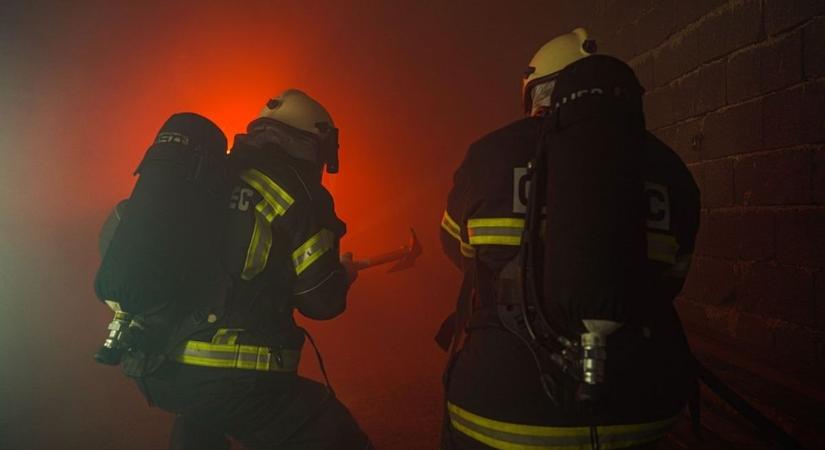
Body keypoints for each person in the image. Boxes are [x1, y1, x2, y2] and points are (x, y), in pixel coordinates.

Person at [437, 28, 700, 450]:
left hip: (501, 411)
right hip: (636, 413)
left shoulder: (489, 156)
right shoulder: (669, 169)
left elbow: (459, 254)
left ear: (533, 93)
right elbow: (672, 280)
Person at [98, 90, 373, 450]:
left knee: (201, 416)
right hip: (233, 379)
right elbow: (322, 302)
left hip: (157, 366)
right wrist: (341, 275)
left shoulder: (207, 176)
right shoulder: (298, 193)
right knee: (333, 436)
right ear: (312, 143)